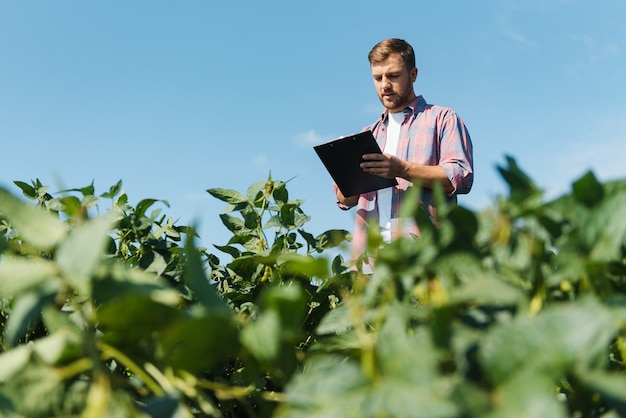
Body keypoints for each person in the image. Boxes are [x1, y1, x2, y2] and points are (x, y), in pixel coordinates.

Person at [334, 38, 474, 267]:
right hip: (369, 266)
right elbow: (342, 199)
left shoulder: (443, 119)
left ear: (413, 74)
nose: (384, 85)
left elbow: (461, 176)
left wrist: (402, 169)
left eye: (393, 76)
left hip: (424, 262)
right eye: (378, 78)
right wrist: (347, 178)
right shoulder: (368, 134)